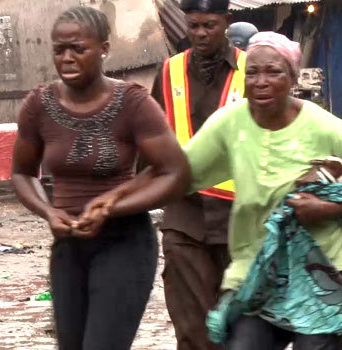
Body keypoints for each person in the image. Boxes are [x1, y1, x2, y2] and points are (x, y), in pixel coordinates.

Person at [87, 31, 342, 350]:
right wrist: (115, 201)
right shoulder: (231, 123)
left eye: (273, 72)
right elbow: (176, 170)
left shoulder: (325, 127)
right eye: (252, 72)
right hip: (258, 270)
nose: (261, 81)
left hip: (323, 271)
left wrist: (325, 209)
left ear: (292, 78)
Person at [11, 7, 189, 350]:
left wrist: (112, 208)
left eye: (78, 49)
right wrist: (49, 212)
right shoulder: (39, 105)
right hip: (68, 246)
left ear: (104, 49)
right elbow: (21, 173)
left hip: (124, 243)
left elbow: (175, 173)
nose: (67, 58)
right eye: (59, 50)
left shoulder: (132, 103)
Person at [149, 1, 246, 349]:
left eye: (210, 25)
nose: (201, 34)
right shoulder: (168, 71)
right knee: (191, 325)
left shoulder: (254, 71)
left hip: (241, 218)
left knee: (240, 325)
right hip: (185, 215)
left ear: (226, 23)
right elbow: (151, 137)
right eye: (194, 26)